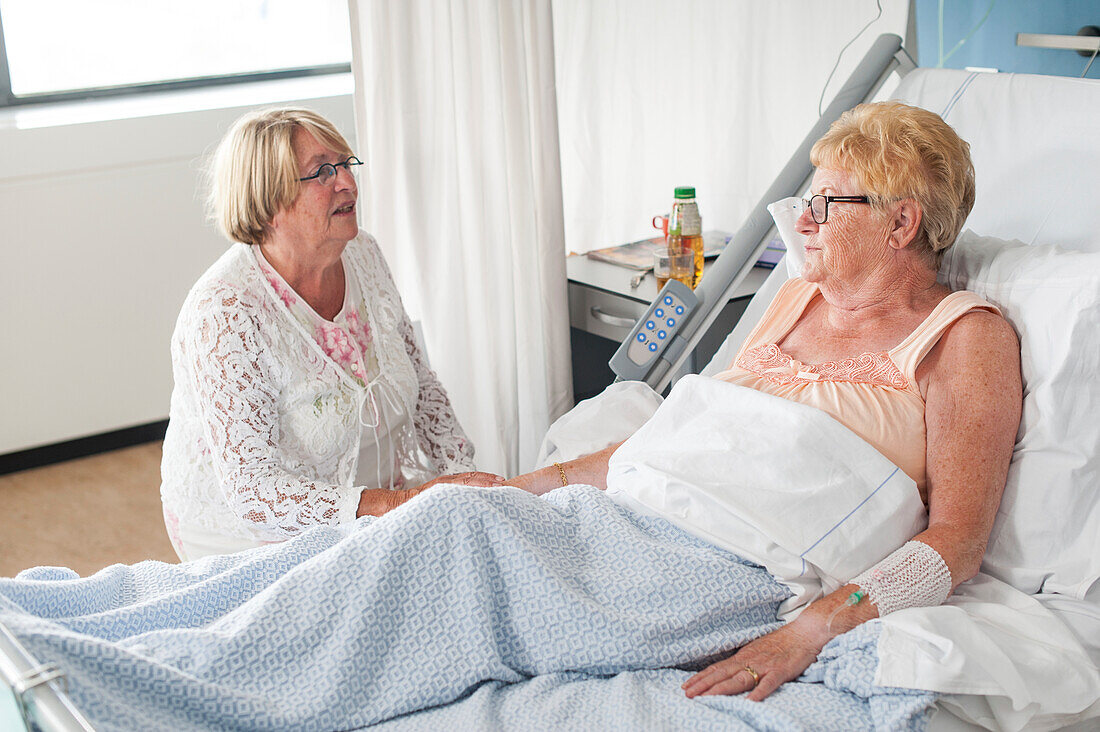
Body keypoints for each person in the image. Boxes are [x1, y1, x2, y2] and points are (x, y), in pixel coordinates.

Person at [505, 100, 1022, 700]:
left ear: (901, 224)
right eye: (806, 204)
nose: (803, 224)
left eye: (825, 206)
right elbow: (690, 438)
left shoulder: (966, 338)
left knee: (474, 576)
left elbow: (957, 542)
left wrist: (810, 631)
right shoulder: (795, 300)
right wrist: (520, 487)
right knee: (462, 519)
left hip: (727, 567)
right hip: (631, 512)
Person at [160, 108, 502, 562]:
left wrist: (468, 482)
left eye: (345, 164)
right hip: (246, 534)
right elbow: (254, 491)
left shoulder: (363, 253)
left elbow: (422, 387)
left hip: (372, 506)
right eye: (323, 172)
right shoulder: (224, 310)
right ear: (269, 201)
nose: (347, 183)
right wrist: (404, 504)